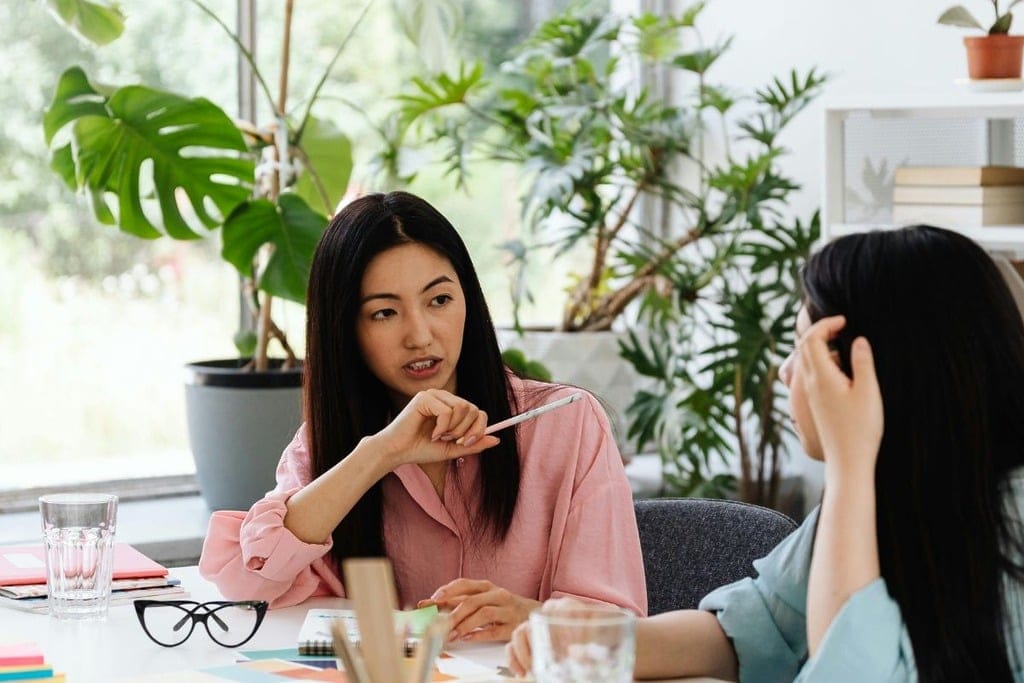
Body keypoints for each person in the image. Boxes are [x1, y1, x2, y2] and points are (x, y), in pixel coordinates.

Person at [508, 224, 1024, 680]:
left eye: (805, 350)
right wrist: (606, 641)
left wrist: (848, 463)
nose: (785, 372)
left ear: (874, 373)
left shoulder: (1008, 522)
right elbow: (749, 633)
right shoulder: (884, 496)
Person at [198, 191, 647, 642]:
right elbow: (245, 582)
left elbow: (619, 627)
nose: (420, 335)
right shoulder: (330, 446)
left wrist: (528, 616)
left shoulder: (564, 425)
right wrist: (381, 453)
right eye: (385, 312)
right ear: (344, 330)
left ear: (468, 301)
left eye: (439, 300)